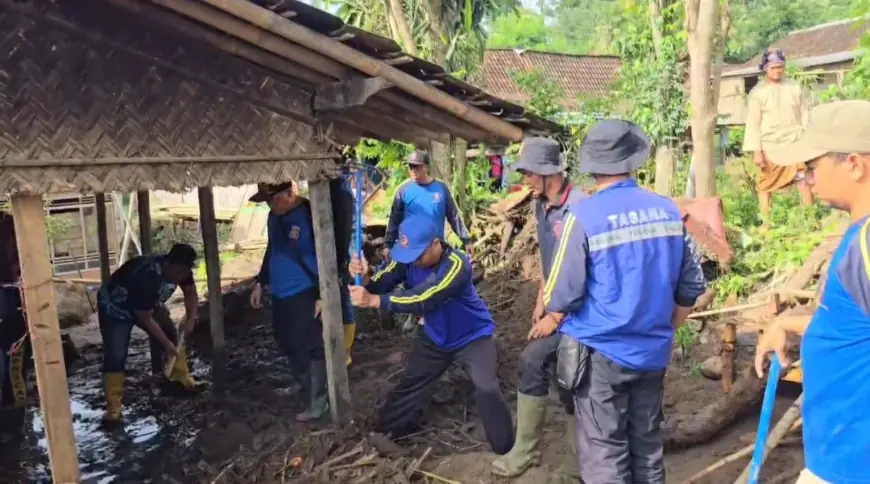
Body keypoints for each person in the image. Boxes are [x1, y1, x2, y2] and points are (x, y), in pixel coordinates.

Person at [544, 119, 706, 483]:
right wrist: (665, 327)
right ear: (634, 162)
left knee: (605, 456)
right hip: (652, 354)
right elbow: (691, 285)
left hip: (601, 356)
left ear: (592, 166)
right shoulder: (667, 211)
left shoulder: (581, 217)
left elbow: (560, 296)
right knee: (647, 448)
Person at [754, 100, 870, 484]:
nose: (807, 180)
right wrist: (793, 321)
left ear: (855, 164)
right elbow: (855, 323)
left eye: (812, 167)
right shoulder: (857, 233)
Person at [347, 215, 514, 455]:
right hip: (436, 336)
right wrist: (366, 276)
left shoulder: (457, 264)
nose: (414, 261)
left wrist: (374, 301)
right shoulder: (407, 257)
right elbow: (382, 281)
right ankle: (384, 434)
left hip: (472, 336)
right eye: (410, 256)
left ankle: (505, 449)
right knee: (412, 383)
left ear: (436, 243)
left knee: (486, 386)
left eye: (419, 255)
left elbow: (425, 297)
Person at [491, 137, 586, 478]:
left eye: (530, 173)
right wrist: (541, 299)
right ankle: (532, 450)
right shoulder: (541, 204)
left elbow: (581, 271)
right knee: (547, 365)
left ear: (550, 174)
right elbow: (551, 260)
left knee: (556, 370)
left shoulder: (578, 207)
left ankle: (567, 461)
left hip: (582, 313)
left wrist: (555, 316)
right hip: (558, 306)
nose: (525, 180)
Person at [248, 181, 352, 422]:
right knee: (285, 339)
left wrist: (321, 294)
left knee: (311, 343)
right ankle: (302, 381)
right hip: (280, 290)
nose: (270, 207)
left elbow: (332, 254)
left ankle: (318, 401)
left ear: (289, 194)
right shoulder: (274, 217)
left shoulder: (312, 213)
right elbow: (271, 248)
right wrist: (260, 281)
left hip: (306, 288)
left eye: (272, 200)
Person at [97, 243, 201, 424]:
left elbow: (191, 293)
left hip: (148, 304)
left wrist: (191, 319)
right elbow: (144, 318)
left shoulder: (182, 271)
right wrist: (167, 346)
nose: (179, 278)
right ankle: (114, 406)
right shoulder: (147, 276)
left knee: (171, 333)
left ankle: (180, 377)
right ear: (168, 263)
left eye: (183, 274)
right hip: (115, 307)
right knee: (116, 353)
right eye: (177, 273)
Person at [743, 48, 814, 227]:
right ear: (766, 68)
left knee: (802, 179)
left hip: (794, 141)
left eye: (781, 67)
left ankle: (810, 217)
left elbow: (806, 114)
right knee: (765, 185)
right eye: (774, 67)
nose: (778, 71)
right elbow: (753, 124)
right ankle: (766, 223)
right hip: (770, 144)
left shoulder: (794, 87)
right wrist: (757, 152)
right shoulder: (757, 93)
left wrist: (808, 139)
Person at [383, 150, 472, 259]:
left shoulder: (441, 189)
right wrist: (388, 245)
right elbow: (394, 220)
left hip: (434, 250)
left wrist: (466, 240)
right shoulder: (403, 191)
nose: (413, 171)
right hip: (411, 249)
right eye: (411, 167)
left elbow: (453, 216)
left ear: (426, 167)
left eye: (417, 167)